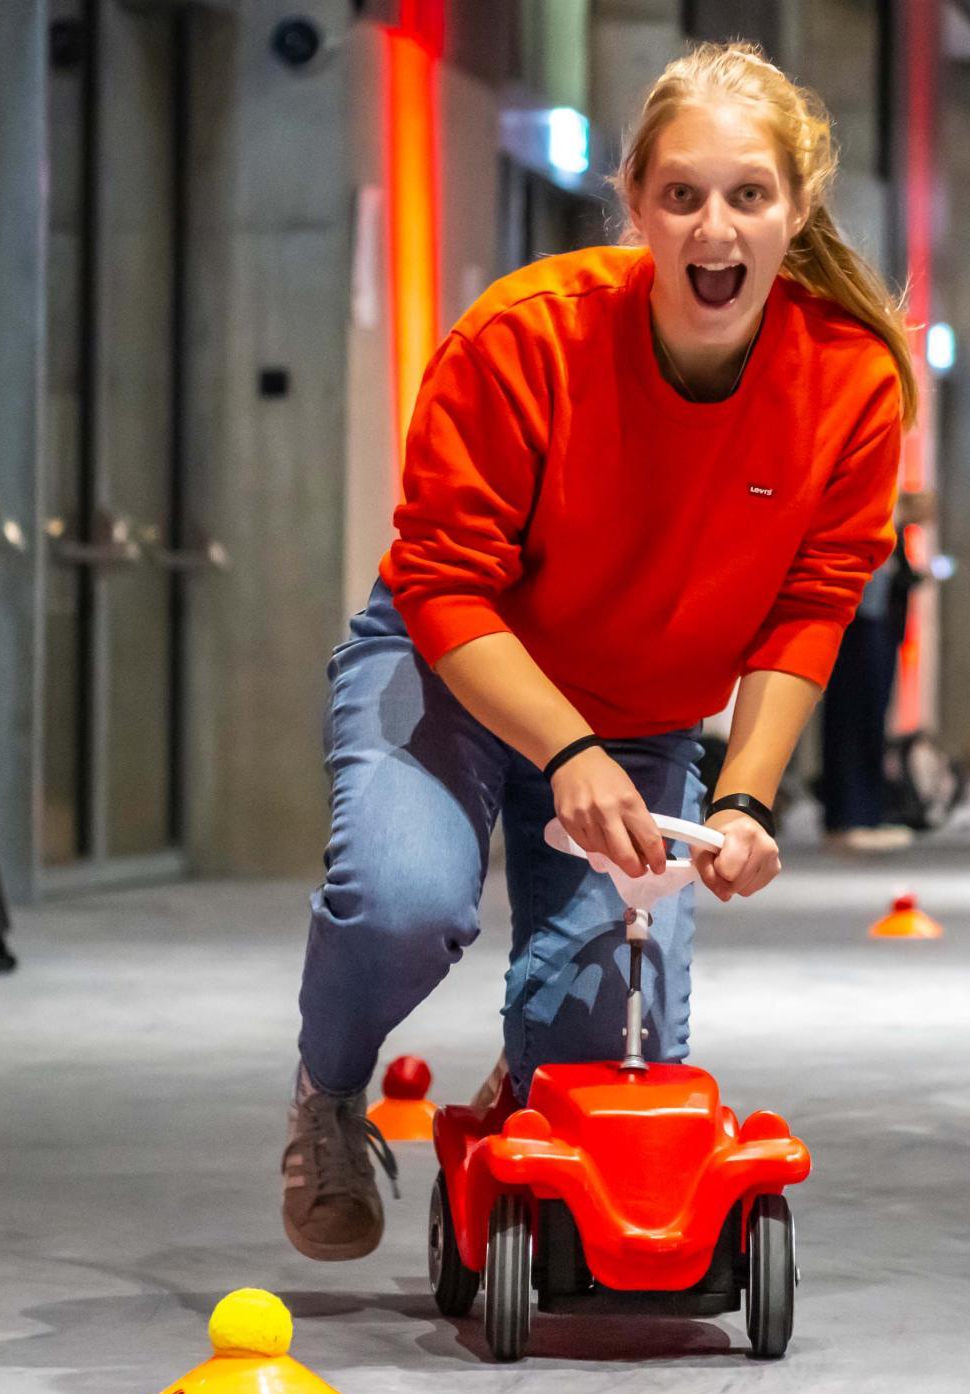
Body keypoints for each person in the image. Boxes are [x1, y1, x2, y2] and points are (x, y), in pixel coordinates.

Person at [282, 43, 912, 1262]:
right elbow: (448, 579)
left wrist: (740, 797)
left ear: (796, 209)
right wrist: (563, 745)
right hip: (452, 667)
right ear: (635, 202)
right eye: (681, 194)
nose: (713, 230)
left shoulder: (849, 382)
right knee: (404, 903)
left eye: (748, 195)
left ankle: (513, 1106)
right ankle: (327, 1090)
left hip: (641, 714)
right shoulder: (526, 338)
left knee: (607, 1045)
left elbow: (812, 603)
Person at [819, 491, 928, 853]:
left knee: (869, 718)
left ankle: (865, 813)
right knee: (851, 716)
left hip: (876, 613)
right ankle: (848, 816)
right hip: (855, 612)